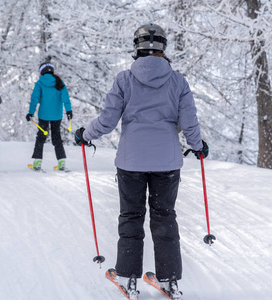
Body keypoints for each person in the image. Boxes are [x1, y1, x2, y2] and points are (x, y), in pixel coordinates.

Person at [74, 23, 209, 299]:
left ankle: (128, 277)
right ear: (163, 47)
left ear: (137, 47)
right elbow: (189, 122)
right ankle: (169, 280)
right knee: (165, 218)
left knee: (131, 217)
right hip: (167, 164)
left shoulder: (124, 79)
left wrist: (85, 134)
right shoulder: (178, 81)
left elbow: (108, 120)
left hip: (131, 163)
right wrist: (198, 146)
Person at [26, 62, 72, 172]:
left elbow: (34, 99)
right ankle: (61, 161)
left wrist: (31, 112)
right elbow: (66, 98)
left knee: (41, 137)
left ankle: (37, 161)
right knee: (57, 137)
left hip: (44, 115)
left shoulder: (40, 83)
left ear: (41, 72)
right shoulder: (59, 82)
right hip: (57, 115)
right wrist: (69, 110)